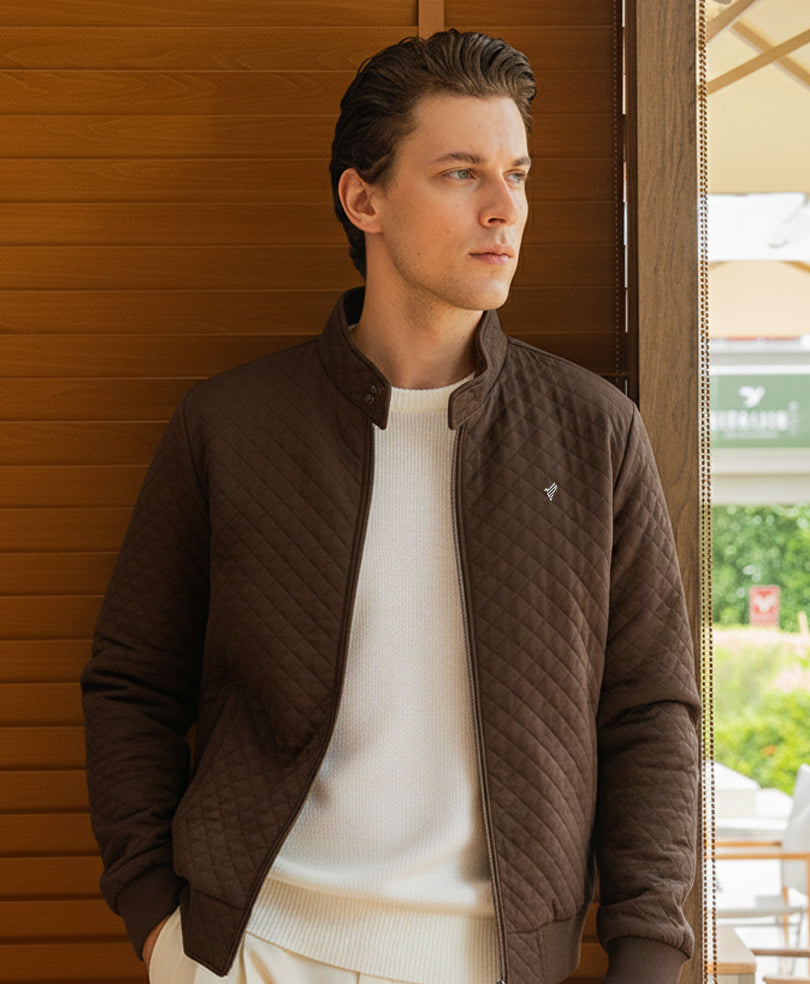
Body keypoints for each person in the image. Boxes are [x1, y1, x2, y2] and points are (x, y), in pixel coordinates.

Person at [81, 29, 700, 984]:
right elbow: (133, 682)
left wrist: (649, 959)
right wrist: (159, 924)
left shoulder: (594, 433)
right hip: (255, 952)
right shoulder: (230, 426)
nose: (504, 208)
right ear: (362, 198)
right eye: (461, 173)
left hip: (491, 963)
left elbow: (652, 712)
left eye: (517, 174)